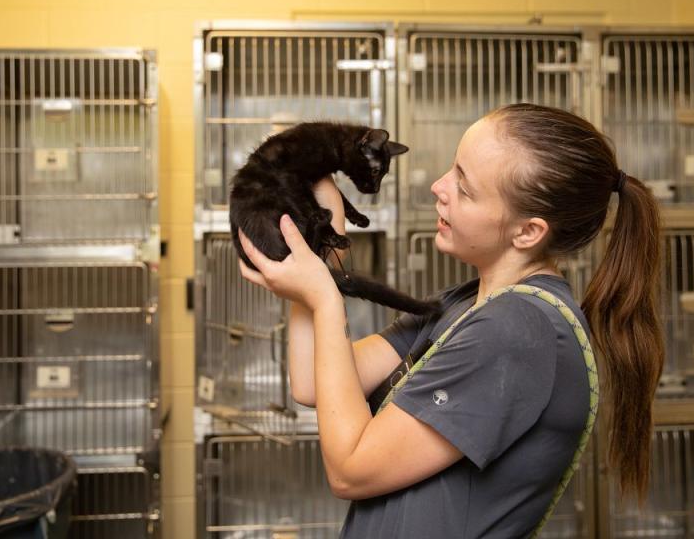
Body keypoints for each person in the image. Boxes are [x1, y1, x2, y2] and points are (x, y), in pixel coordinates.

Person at [237, 103, 665, 538]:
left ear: (528, 232)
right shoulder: (465, 304)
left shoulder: (517, 331)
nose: (439, 187)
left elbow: (351, 470)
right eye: (452, 170)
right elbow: (314, 382)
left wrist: (326, 299)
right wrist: (317, 258)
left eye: (465, 188)